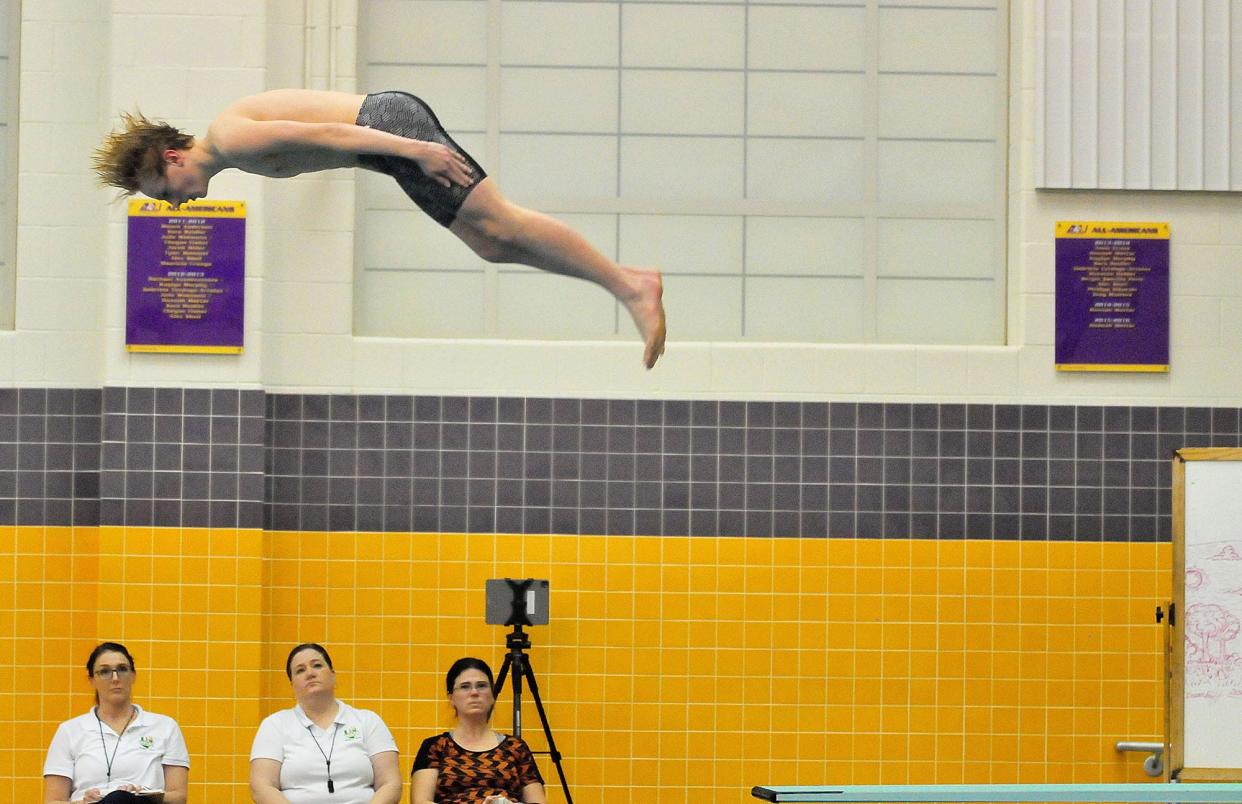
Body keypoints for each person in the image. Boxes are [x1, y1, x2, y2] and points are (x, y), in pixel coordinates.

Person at [93, 88, 667, 369]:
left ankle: (630, 287)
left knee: (501, 222)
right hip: (384, 146)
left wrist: (417, 151)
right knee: (491, 244)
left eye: (165, 193)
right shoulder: (231, 150)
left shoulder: (233, 138)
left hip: (389, 128)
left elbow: (336, 137)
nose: (175, 205)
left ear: (171, 159)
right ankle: (628, 280)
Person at [249, 643, 401, 804]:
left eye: (317, 665)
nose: (310, 673)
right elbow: (262, 787)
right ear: (292, 685)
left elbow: (391, 784)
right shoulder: (274, 725)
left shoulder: (368, 721)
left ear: (333, 675)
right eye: (300, 670)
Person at [43, 641, 190, 804]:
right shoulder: (70, 731)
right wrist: (84, 803)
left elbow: (178, 797)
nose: (115, 678)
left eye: (122, 669)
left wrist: (143, 795)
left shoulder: (164, 727)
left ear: (133, 675)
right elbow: (53, 801)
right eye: (104, 671)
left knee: (122, 799)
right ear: (92, 680)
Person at [411, 657, 545, 804]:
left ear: (493, 696)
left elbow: (538, 802)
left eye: (482, 686)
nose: (474, 692)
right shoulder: (436, 746)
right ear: (451, 698)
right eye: (465, 686)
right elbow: (421, 801)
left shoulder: (516, 747)